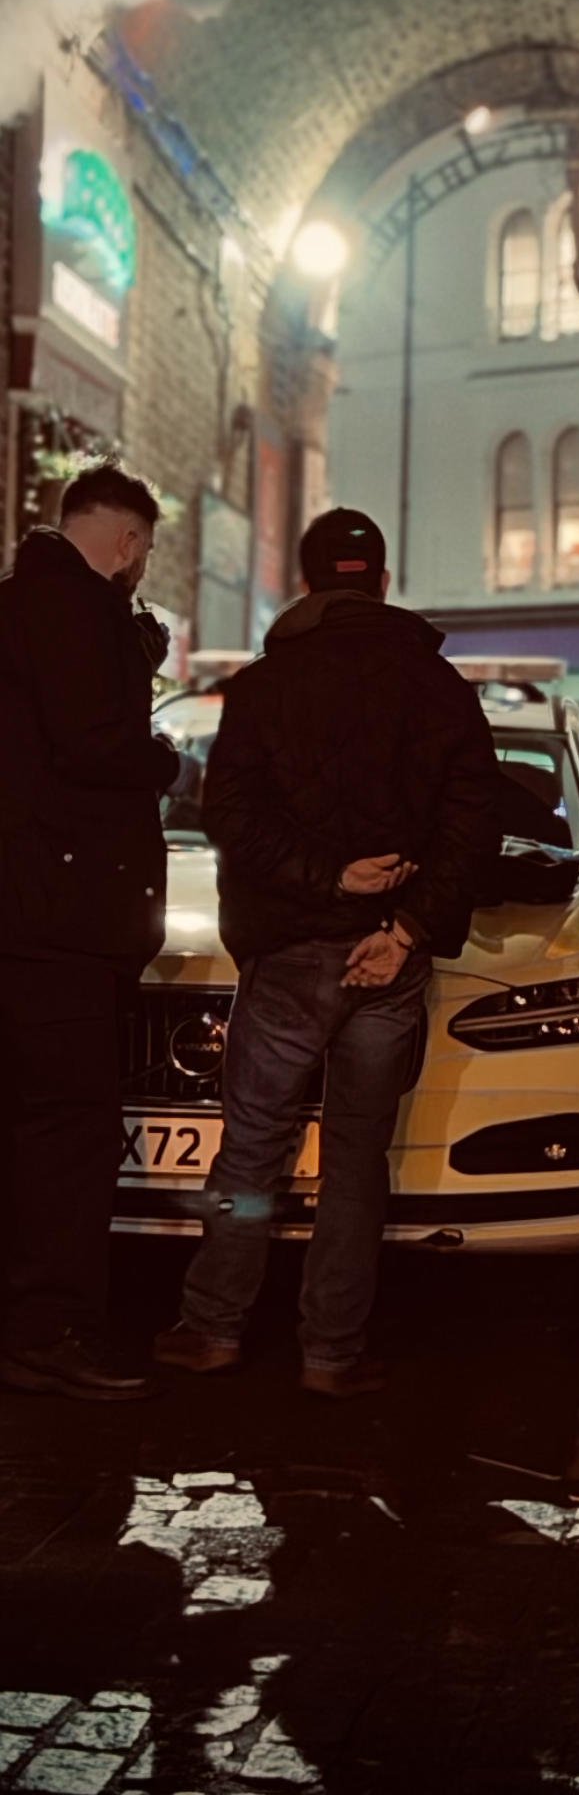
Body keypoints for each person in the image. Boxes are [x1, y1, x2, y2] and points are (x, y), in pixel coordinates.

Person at [155, 506, 502, 1396]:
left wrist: (328, 880)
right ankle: (332, 1353)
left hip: (289, 953)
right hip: (391, 962)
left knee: (250, 1148)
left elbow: (228, 816)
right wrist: (404, 928)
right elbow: (475, 827)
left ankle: (212, 1328)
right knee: (357, 1158)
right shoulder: (437, 686)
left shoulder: (268, 684)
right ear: (381, 582)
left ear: (306, 583)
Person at [0, 458, 181, 1399]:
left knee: (26, 1126)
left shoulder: (15, 604)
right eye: (143, 553)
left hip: (21, 909)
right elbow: (94, 743)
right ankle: (53, 1327)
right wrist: (164, 758)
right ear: (127, 543)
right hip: (61, 921)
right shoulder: (77, 611)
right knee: (68, 1132)